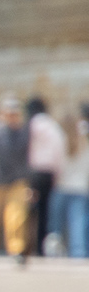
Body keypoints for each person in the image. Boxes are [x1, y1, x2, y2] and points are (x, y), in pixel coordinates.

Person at [0, 94, 35, 265]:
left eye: (15, 113)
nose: (12, 117)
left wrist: (30, 182)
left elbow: (29, 157)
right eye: (9, 113)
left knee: (16, 216)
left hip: (17, 180)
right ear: (2, 114)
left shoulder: (24, 132)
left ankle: (17, 250)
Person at [27, 96, 67, 257]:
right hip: (48, 175)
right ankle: (40, 248)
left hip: (31, 174)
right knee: (44, 212)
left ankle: (23, 246)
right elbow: (59, 152)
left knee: (27, 212)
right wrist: (58, 174)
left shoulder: (28, 126)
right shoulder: (53, 127)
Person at [53, 104, 89, 259]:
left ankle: (54, 251)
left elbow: (55, 165)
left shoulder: (59, 141)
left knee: (56, 224)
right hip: (80, 187)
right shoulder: (84, 142)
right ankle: (78, 252)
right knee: (78, 223)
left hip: (61, 186)